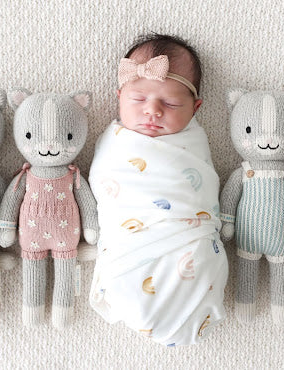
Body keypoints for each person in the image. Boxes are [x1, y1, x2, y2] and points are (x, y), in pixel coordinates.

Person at [88, 34, 228, 346]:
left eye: (171, 102)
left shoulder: (192, 143)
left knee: (201, 260)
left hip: (187, 235)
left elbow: (202, 189)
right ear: (119, 98)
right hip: (130, 244)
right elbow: (105, 185)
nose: (152, 111)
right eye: (138, 100)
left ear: (195, 108)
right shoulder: (116, 143)